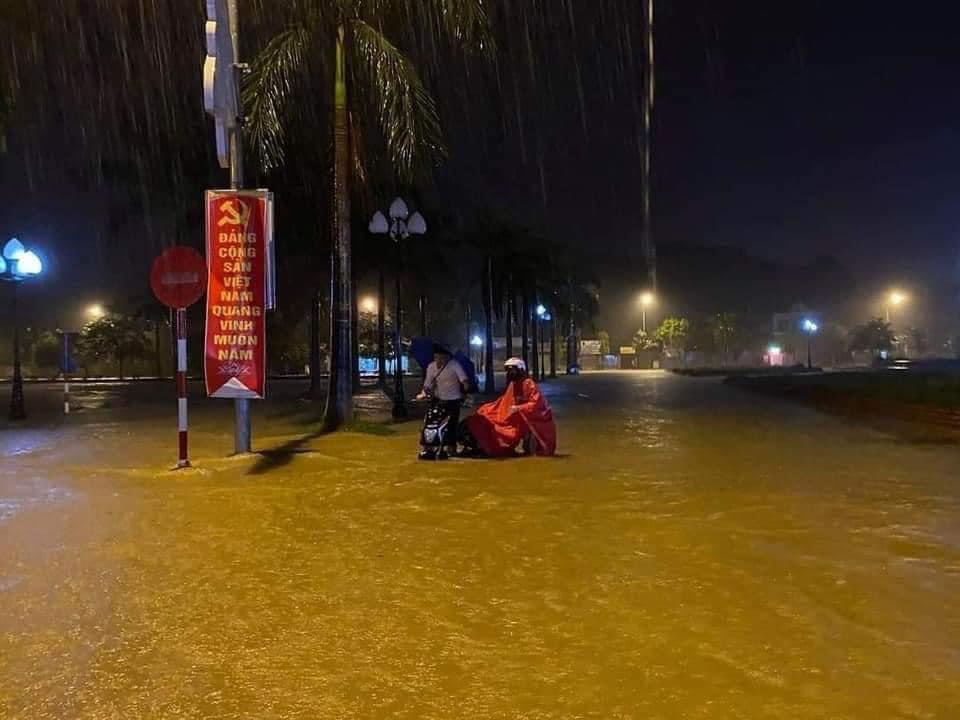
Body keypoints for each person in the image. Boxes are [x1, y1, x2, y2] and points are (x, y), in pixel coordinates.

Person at [460, 357, 557, 457]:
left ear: (520, 370)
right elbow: (505, 401)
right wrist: (490, 407)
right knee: (480, 419)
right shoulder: (513, 384)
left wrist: (518, 408)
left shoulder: (528, 384)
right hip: (509, 417)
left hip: (520, 421)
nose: (511, 373)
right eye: (509, 370)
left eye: (513, 370)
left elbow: (536, 403)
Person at [415, 344, 469, 459]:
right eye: (436, 358)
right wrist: (423, 394)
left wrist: (466, 387)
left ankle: (451, 448)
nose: (438, 361)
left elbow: (464, 380)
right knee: (430, 421)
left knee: (451, 425)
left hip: (453, 400)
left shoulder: (454, 365)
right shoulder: (431, 367)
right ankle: (428, 446)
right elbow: (427, 385)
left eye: (441, 358)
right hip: (437, 399)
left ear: (447, 357)